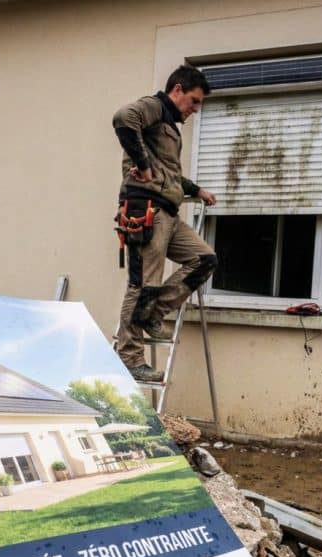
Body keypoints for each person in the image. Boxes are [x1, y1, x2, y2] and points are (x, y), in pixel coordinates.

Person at [111, 65, 218, 383]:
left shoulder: (168, 125)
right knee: (142, 284)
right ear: (177, 91)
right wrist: (141, 165)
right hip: (147, 211)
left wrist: (196, 190)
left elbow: (169, 173)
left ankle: (152, 314)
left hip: (169, 214)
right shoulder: (155, 107)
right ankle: (130, 358)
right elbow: (122, 118)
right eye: (194, 101)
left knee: (204, 260)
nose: (195, 110)